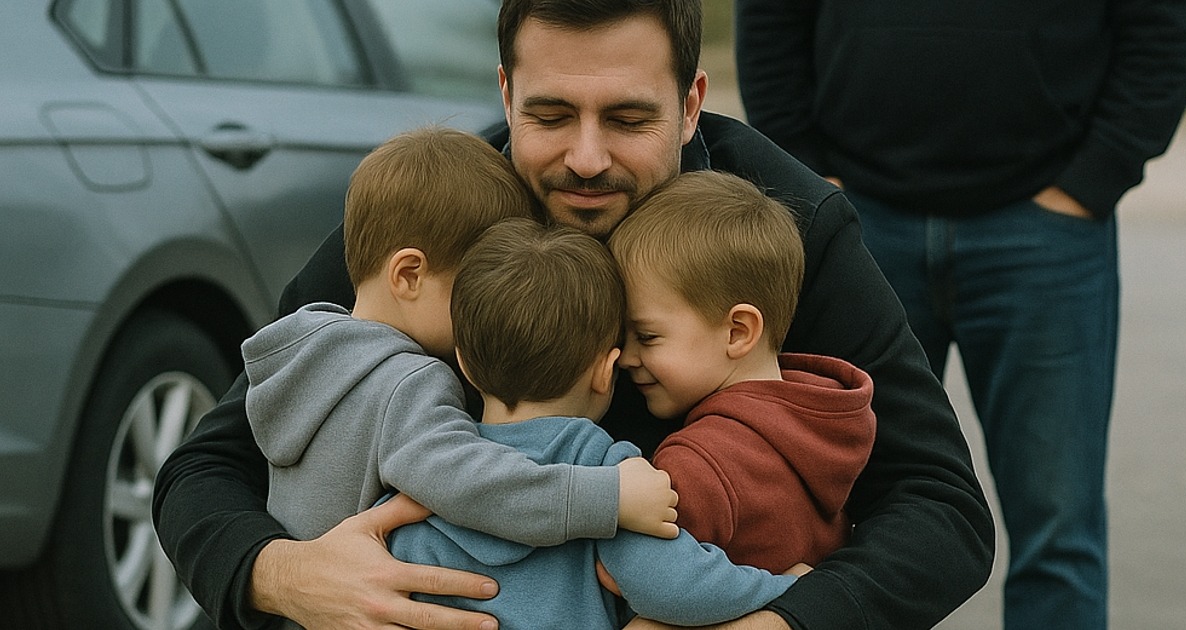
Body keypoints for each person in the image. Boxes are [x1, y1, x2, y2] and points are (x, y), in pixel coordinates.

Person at [153, 1, 996, 628]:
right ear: (506, 92)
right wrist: (284, 574)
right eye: (550, 116)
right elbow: (205, 468)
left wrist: (778, 624)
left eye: (628, 118)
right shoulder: (441, 209)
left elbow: (942, 507)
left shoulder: (778, 226)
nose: (585, 158)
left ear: (693, 101)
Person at [733, 1, 1186, 627]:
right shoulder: (832, 230)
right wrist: (809, 178)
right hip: (858, 224)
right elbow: (770, 19)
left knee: (1058, 525)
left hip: (1045, 234)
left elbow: (1162, 23)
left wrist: (1097, 175)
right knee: (831, 518)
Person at [241, 128, 677, 550]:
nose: (492, 306)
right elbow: (474, 486)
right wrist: (608, 499)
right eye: (475, 284)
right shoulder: (407, 383)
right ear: (410, 275)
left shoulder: (307, 350)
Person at [385, 217, 797, 627]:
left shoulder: (423, 473)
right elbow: (672, 587)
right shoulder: (609, 469)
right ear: (606, 371)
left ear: (464, 364)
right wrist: (786, 587)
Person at [609, 170, 876, 573]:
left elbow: (625, 578)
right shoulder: (826, 422)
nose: (625, 358)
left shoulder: (698, 467)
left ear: (738, 331)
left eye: (646, 336)